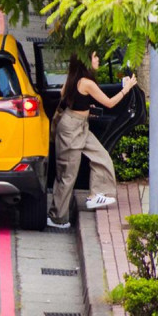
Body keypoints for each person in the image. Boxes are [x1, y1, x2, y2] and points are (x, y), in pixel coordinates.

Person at [47, 52, 138, 229]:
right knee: (67, 174)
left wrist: (85, 105)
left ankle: (97, 194)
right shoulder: (87, 83)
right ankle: (57, 217)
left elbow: (63, 93)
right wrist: (126, 88)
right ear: (86, 61)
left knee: (101, 156)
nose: (98, 60)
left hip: (79, 124)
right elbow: (110, 103)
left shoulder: (75, 78)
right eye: (95, 57)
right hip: (72, 128)